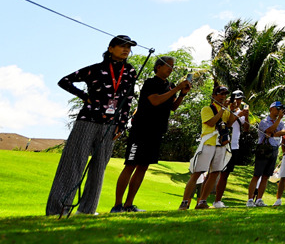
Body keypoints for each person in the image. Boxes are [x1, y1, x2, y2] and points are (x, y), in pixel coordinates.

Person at [46, 34, 140, 217]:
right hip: (87, 121)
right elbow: (64, 81)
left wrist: (121, 124)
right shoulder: (95, 69)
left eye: (129, 47)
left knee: (99, 168)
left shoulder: (130, 71)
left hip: (111, 125)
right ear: (111, 48)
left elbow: (128, 99)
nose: (126, 49)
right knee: (73, 164)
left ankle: (87, 210)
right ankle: (58, 210)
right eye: (122, 46)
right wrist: (84, 97)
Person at [112, 56, 191, 213]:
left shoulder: (170, 85)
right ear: (158, 67)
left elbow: (173, 107)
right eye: (168, 65)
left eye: (172, 66)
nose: (171, 68)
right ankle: (117, 205)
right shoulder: (150, 83)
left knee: (143, 167)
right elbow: (155, 101)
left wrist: (182, 94)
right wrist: (175, 90)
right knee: (130, 165)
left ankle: (129, 205)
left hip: (157, 131)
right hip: (141, 130)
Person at [180, 85, 237, 210]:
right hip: (208, 143)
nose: (223, 97)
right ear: (214, 96)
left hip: (221, 144)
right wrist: (222, 109)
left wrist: (232, 110)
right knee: (197, 173)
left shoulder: (226, 110)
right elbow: (211, 122)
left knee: (215, 173)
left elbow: (230, 123)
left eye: (225, 94)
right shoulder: (207, 109)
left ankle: (202, 201)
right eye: (220, 94)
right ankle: (185, 202)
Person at [212, 89, 251, 207]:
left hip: (234, 146)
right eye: (236, 99)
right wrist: (237, 114)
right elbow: (227, 124)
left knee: (225, 174)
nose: (238, 102)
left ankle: (218, 200)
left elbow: (246, 129)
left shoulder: (241, 112)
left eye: (240, 99)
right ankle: (202, 198)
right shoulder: (225, 109)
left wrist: (246, 116)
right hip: (220, 143)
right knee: (213, 172)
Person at [248, 101, 285, 207]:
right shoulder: (264, 121)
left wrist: (274, 133)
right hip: (263, 149)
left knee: (265, 176)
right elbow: (269, 130)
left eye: (281, 109)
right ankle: (250, 199)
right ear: (271, 109)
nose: (279, 111)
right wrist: (277, 124)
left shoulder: (281, 123)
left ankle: (259, 199)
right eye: (277, 108)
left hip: (274, 149)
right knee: (257, 175)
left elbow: (283, 132)